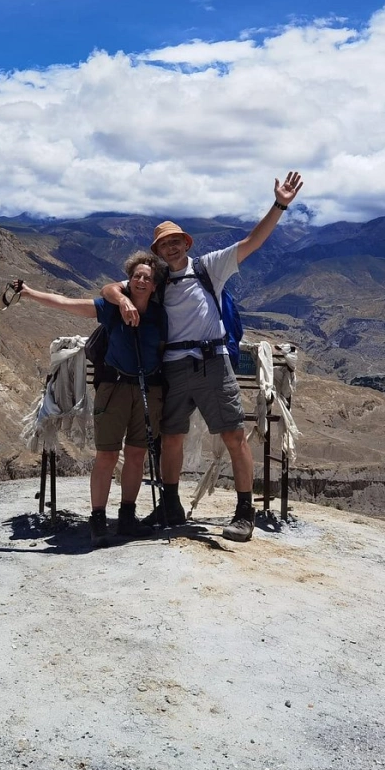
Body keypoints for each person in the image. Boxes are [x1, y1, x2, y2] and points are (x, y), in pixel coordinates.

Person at [102, 171, 304, 542]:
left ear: (186, 244)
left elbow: (251, 242)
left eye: (177, 241)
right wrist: (123, 298)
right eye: (166, 245)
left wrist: (280, 205)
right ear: (158, 252)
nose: (173, 248)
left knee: (233, 435)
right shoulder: (157, 282)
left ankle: (245, 511)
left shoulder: (210, 267)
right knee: (171, 438)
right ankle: (171, 504)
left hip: (213, 363)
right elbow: (113, 287)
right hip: (174, 368)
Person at [17, 251, 168, 547]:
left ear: (154, 286)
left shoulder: (160, 315)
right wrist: (30, 293)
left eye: (147, 278)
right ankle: (98, 519)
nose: (140, 280)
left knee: (136, 454)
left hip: (149, 389)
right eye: (136, 275)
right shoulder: (111, 309)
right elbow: (66, 304)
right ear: (129, 280)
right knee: (108, 456)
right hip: (115, 387)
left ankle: (127, 517)